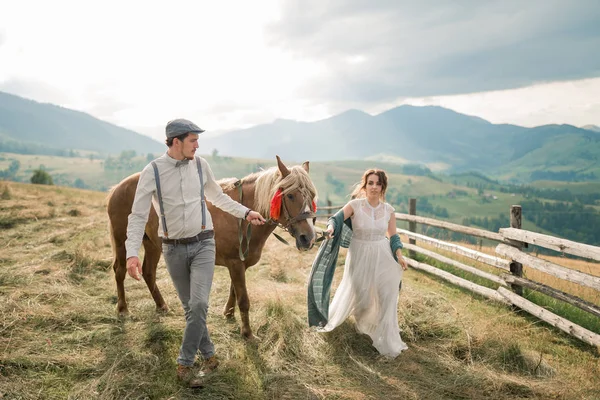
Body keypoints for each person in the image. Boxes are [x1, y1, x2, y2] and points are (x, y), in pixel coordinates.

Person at [125, 118, 266, 388]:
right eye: (193, 140)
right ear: (176, 141)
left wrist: (246, 213)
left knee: (199, 304)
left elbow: (218, 197)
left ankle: (185, 363)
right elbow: (138, 215)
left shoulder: (201, 165)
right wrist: (132, 253)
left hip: (204, 243)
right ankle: (210, 356)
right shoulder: (152, 171)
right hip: (173, 249)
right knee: (192, 309)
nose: (198, 145)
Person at [308, 168, 408, 358]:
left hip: (383, 255)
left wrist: (400, 255)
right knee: (362, 293)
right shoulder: (355, 205)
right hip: (359, 254)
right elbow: (335, 219)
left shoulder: (388, 210)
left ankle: (385, 335)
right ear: (365, 185)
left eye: (378, 183)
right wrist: (330, 229)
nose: (374, 187)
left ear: (383, 187)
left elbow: (393, 236)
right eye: (370, 183)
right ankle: (363, 328)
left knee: (386, 295)